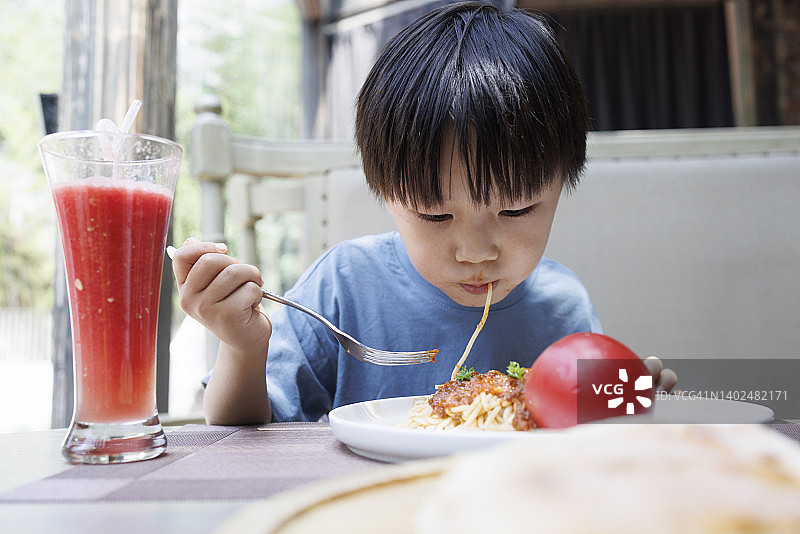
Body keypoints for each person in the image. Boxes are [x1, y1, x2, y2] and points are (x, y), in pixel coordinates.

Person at [172, 1, 676, 425]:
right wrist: (242, 349)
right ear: (386, 194)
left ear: (563, 184)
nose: (477, 252)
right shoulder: (345, 288)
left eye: (517, 208)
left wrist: (631, 405)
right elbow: (245, 434)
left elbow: (588, 436)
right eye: (436, 216)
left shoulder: (562, 307)